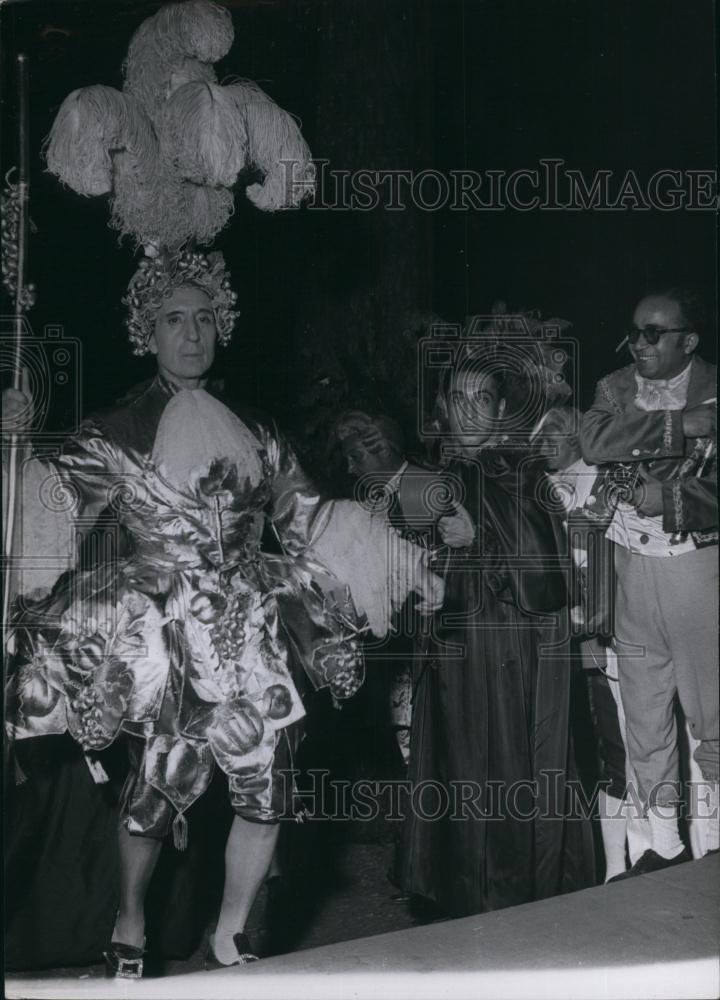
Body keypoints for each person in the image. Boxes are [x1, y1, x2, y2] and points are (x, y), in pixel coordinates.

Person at [2, 250, 441, 976]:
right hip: (160, 629)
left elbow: (308, 517)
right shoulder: (117, 428)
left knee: (267, 787)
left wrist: (396, 557)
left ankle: (231, 933)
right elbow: (47, 507)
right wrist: (13, 438)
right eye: (175, 319)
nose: (193, 334)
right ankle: (131, 924)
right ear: (147, 331)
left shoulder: (258, 429)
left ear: (223, 327)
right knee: (157, 790)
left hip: (249, 625)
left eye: (206, 318)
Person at [399, 350, 595, 917]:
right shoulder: (434, 475)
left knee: (509, 776)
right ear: (442, 408)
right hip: (453, 656)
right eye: (457, 400)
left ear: (502, 407)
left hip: (510, 655)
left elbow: (547, 570)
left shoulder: (524, 470)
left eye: (481, 399)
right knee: (459, 774)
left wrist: (477, 536)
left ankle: (514, 909)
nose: (468, 412)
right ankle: (467, 906)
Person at [580, 287, 718, 878]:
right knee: (644, 717)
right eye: (634, 331)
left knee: (712, 719)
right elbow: (593, 441)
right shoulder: (613, 388)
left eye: (654, 332)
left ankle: (713, 844)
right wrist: (677, 426)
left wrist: (660, 494)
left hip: (696, 572)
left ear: (688, 339)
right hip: (630, 569)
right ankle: (661, 847)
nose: (640, 342)